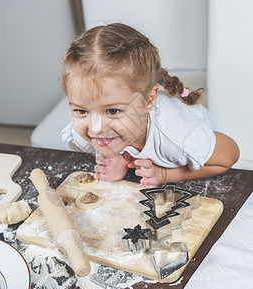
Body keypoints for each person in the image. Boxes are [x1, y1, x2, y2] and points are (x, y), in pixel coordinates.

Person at [61, 23, 239, 187]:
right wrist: (115, 155)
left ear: (148, 100)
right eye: (81, 110)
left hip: (199, 158)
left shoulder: (179, 136)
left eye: (113, 111)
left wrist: (166, 174)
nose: (95, 128)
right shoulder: (87, 132)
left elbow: (229, 156)